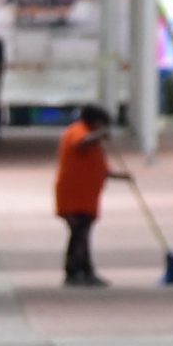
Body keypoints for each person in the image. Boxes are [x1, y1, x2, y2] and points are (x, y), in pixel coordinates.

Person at [54, 103, 129, 286]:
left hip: (86, 198)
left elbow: (99, 169)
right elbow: (81, 144)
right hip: (74, 197)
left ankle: (85, 271)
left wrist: (121, 176)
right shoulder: (77, 131)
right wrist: (100, 135)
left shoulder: (93, 141)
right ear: (96, 122)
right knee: (79, 235)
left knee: (82, 235)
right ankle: (75, 272)